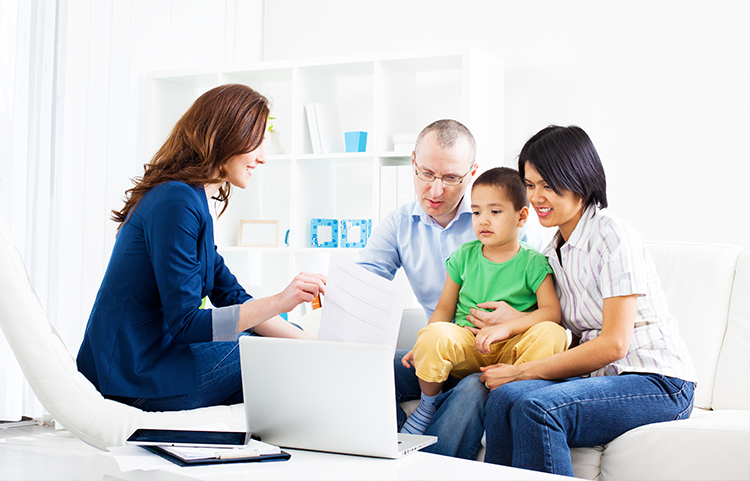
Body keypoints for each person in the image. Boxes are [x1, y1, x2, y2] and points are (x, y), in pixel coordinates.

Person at [76, 84, 326, 411]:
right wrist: (281, 301)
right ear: (226, 135)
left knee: (288, 343)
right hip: (133, 377)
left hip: (150, 364)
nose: (263, 157)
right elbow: (186, 325)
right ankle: (400, 380)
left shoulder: (192, 201)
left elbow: (234, 298)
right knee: (272, 353)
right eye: (257, 141)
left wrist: (323, 347)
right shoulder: (176, 201)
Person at [481, 125, 697, 476]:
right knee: (504, 398)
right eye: (531, 185)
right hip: (605, 377)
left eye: (548, 185)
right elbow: (563, 326)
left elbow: (614, 343)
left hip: (659, 382)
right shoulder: (553, 252)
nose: (536, 198)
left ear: (579, 179)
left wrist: (522, 371)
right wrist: (512, 321)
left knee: (538, 407)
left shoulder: (613, 237)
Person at [357, 119, 543, 459]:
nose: (436, 190)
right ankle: (388, 453)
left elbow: (548, 304)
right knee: (365, 368)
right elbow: (364, 284)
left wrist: (517, 318)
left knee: (473, 388)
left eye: (451, 178)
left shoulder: (501, 223)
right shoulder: (399, 225)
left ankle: (427, 470)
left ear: (471, 172)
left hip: (494, 352)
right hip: (444, 346)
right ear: (413, 162)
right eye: (426, 174)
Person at [399, 167, 566, 435]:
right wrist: (424, 342)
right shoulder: (463, 256)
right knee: (434, 334)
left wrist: (506, 328)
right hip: (468, 343)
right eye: (477, 212)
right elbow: (444, 308)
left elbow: (552, 312)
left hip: (513, 351)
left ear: (521, 216)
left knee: (553, 333)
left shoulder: (534, 262)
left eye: (495, 212)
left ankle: (509, 390)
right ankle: (428, 404)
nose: (483, 220)